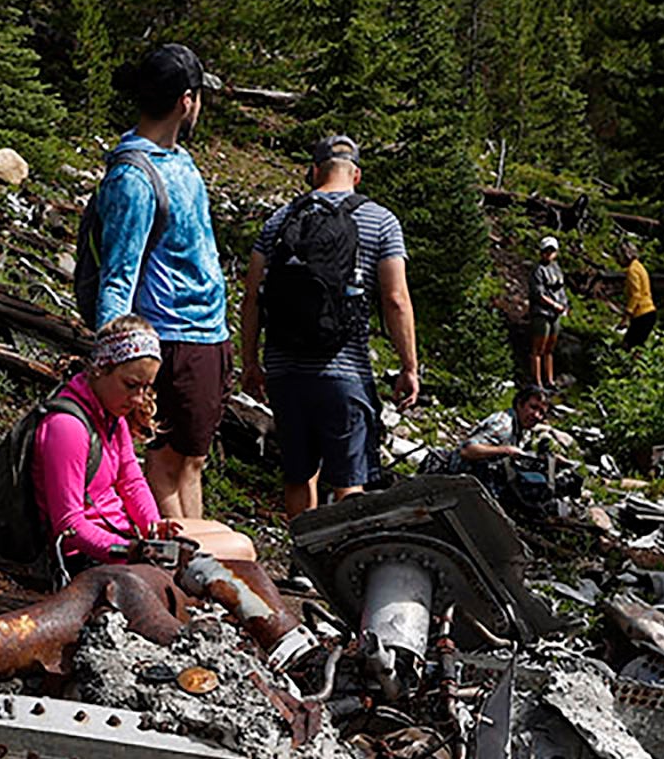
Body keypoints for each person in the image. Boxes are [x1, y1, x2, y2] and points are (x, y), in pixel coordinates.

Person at [85, 43, 230, 526]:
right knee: (168, 463)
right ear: (186, 101)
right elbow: (119, 273)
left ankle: (197, 570)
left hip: (203, 335)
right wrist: (114, 357)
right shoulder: (134, 177)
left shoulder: (177, 161)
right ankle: (184, 570)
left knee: (191, 461)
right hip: (171, 336)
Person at [236, 131, 417, 517]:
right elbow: (396, 300)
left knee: (298, 476)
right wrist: (409, 367)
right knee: (349, 481)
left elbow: (252, 296)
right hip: (344, 371)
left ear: (313, 171)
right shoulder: (380, 220)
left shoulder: (280, 220)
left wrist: (250, 362)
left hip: (285, 370)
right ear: (357, 175)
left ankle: (302, 568)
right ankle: (340, 567)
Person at [34, 317, 255, 568]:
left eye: (146, 387)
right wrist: (132, 551)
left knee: (221, 530)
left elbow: (131, 481)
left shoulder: (112, 416)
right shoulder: (66, 427)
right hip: (93, 554)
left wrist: (153, 527)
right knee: (240, 548)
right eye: (130, 385)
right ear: (101, 369)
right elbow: (69, 524)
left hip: (124, 535)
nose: (139, 399)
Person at [429, 384, 581, 520]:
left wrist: (550, 459)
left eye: (541, 413)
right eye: (533, 407)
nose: (537, 416)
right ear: (519, 404)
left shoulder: (523, 429)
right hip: (461, 479)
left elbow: (522, 455)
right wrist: (504, 450)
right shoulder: (504, 425)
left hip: (485, 480)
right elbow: (467, 450)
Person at [525, 236, 569, 391]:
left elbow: (561, 289)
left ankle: (549, 380)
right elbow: (538, 293)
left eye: (552, 251)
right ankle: (537, 382)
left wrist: (564, 305)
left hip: (555, 314)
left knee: (550, 349)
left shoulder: (556, 268)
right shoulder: (537, 270)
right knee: (538, 348)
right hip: (542, 313)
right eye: (546, 250)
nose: (549, 254)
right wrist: (554, 305)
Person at [620, 238, 657, 349]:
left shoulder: (632, 270)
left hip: (642, 313)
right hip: (649, 311)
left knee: (627, 346)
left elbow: (636, 295)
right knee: (637, 347)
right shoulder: (640, 267)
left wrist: (627, 315)